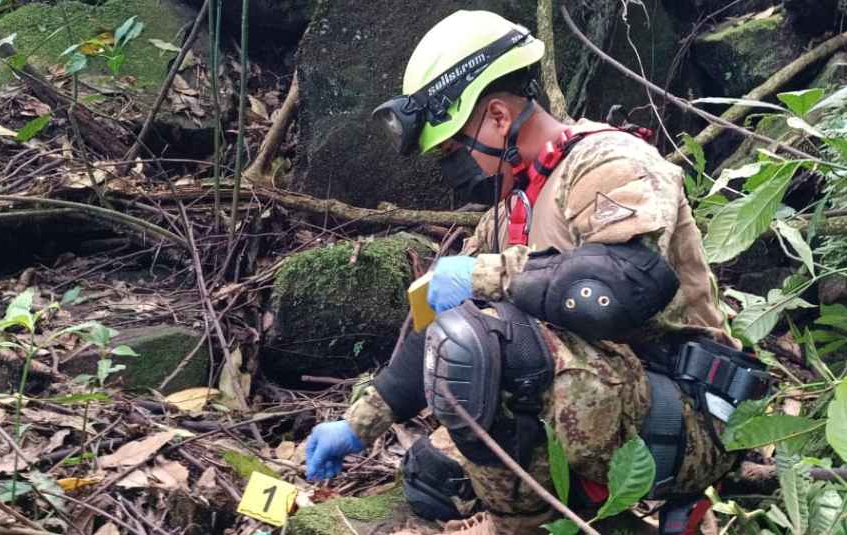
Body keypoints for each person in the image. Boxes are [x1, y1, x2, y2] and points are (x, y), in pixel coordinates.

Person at [303, 10, 768, 535]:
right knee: (431, 480)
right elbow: (432, 317)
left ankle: (540, 524)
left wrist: (484, 277)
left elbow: (617, 291)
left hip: (689, 415)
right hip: (595, 399)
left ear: (499, 116)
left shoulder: (612, 162)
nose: (453, 168)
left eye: (454, 148)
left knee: (484, 345)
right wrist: (360, 424)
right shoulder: (506, 213)